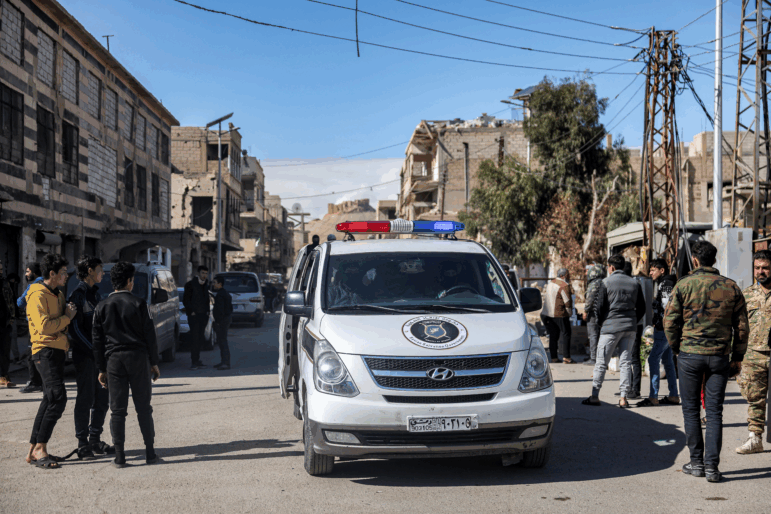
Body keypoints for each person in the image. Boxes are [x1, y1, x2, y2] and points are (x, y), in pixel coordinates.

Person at [664, 241, 748, 483]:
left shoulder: (684, 285)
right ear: (715, 259)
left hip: (690, 355)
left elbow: (669, 322)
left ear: (696, 261)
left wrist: (676, 348)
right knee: (714, 413)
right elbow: (742, 327)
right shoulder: (731, 287)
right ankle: (712, 467)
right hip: (720, 356)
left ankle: (697, 463)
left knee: (691, 412)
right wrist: (738, 357)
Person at [92, 261, 160, 468]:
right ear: (130, 282)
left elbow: (97, 341)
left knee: (117, 410)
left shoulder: (101, 306)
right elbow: (150, 336)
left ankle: (120, 457)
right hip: (138, 359)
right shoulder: (140, 304)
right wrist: (154, 363)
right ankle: (150, 454)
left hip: (114, 362)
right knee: (144, 408)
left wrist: (101, 368)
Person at [25, 254, 76, 469]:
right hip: (44, 350)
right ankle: (40, 448)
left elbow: (59, 323)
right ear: (52, 274)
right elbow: (45, 326)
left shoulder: (57, 294)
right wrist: (67, 318)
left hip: (56, 350)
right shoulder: (37, 295)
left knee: (49, 398)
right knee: (57, 398)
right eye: (63, 273)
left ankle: (33, 450)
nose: (66, 276)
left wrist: (65, 320)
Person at [583, 255, 646, 408]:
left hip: (610, 327)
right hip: (630, 327)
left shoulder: (605, 283)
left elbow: (599, 308)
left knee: (601, 363)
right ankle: (624, 398)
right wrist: (632, 320)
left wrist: (602, 323)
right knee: (625, 363)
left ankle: (594, 395)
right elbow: (642, 308)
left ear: (611, 267)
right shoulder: (635, 283)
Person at [68, 256, 113, 460]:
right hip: (85, 357)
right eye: (100, 269)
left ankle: (95, 439)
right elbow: (75, 329)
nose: (102, 273)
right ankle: (83, 443)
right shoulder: (77, 295)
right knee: (85, 399)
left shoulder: (96, 295)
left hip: (100, 357)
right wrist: (94, 352)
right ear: (89, 271)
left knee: (102, 399)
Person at [735, 250, 771, 454]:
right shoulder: (746, 295)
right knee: (754, 398)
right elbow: (737, 325)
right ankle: (755, 438)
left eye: (765, 267)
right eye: (757, 268)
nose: (760, 271)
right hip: (753, 354)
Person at [636, 258, 679, 407]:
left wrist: (662, 324)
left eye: (653, 270)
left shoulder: (666, 284)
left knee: (653, 359)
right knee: (667, 361)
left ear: (662, 270)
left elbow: (668, 307)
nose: (650, 273)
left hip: (664, 329)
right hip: (667, 328)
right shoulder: (664, 283)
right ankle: (673, 395)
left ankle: (653, 396)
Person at [17, 263, 44, 393]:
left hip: (33, 325)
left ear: (34, 272)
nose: (26, 274)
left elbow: (20, 302)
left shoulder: (33, 287)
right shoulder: (48, 284)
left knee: (31, 353)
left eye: (28, 271)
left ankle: (35, 382)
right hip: (46, 324)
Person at [540, 268, 575, 364]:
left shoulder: (551, 283)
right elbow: (567, 301)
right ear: (563, 275)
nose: (569, 277)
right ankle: (566, 357)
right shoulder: (564, 285)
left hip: (547, 313)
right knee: (566, 333)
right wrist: (569, 313)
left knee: (553, 336)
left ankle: (554, 358)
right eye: (568, 275)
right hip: (560, 314)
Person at [183, 265, 210, 370]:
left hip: (203, 316)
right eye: (203, 273)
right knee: (194, 339)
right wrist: (191, 312)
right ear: (198, 273)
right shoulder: (190, 285)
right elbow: (186, 300)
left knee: (200, 339)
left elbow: (207, 300)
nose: (204, 275)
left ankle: (198, 360)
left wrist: (207, 312)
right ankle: (194, 361)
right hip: (194, 316)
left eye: (206, 273)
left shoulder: (206, 285)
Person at [583, 264, 606, 366]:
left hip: (593, 313)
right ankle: (600, 356)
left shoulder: (594, 284)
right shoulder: (604, 282)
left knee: (592, 334)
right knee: (600, 335)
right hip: (603, 312)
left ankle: (593, 358)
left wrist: (585, 311)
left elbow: (590, 299)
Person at [212, 276, 233, 370]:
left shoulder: (221, 294)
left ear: (220, 284)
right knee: (221, 341)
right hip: (226, 319)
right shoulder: (224, 293)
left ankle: (226, 363)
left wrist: (218, 321)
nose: (213, 284)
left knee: (223, 341)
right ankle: (223, 361)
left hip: (222, 320)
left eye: (215, 282)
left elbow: (220, 310)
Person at [0, 262, 16, 387]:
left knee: (5, 351)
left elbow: (11, 302)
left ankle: (4, 376)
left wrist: (12, 318)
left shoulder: (5, 284)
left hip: (4, 324)